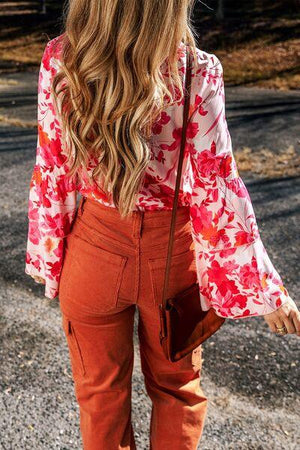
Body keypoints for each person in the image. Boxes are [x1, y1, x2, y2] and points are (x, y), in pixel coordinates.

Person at [24, 1, 299, 448]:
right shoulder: (196, 70)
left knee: (99, 398)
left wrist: (48, 260)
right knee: (177, 393)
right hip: (171, 258)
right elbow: (217, 186)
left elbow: (52, 170)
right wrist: (263, 288)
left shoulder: (62, 59)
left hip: (93, 252)